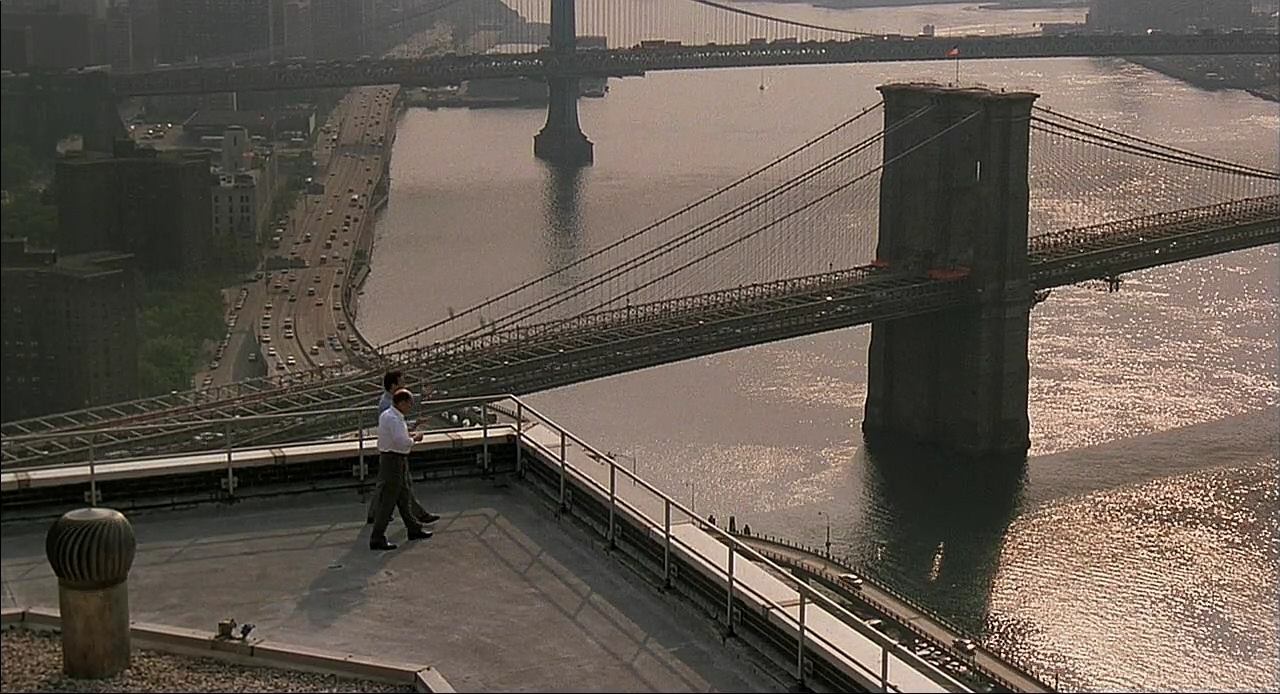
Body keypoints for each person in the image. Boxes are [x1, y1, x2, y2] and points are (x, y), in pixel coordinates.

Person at [367, 370, 438, 525]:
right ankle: (383, 520)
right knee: (397, 488)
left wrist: (414, 425)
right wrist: (414, 438)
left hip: (391, 452)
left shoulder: (389, 402)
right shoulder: (388, 405)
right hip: (393, 453)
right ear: (393, 385)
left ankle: (409, 519)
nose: (404, 385)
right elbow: (398, 434)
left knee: (395, 487)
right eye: (401, 382)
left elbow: (398, 428)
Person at [370, 389, 431, 551]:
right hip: (394, 461)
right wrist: (415, 438)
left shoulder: (389, 415)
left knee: (404, 497)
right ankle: (377, 537)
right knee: (388, 502)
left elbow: (396, 436)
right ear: (402, 403)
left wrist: (408, 434)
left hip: (392, 459)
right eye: (409, 404)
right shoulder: (394, 419)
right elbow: (401, 441)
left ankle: (413, 528)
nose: (410, 407)